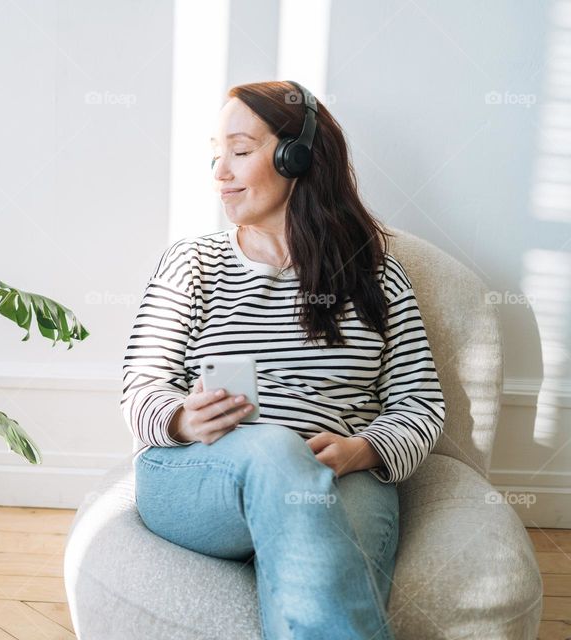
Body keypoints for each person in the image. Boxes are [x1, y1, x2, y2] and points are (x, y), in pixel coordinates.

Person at [120, 80, 446, 640]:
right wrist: (181, 417)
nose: (220, 171)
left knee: (335, 557)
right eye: (215, 154)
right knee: (273, 447)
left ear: (299, 157)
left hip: (339, 473)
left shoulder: (378, 278)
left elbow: (420, 404)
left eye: (240, 152)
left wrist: (362, 449)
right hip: (204, 475)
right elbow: (140, 388)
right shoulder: (191, 264)